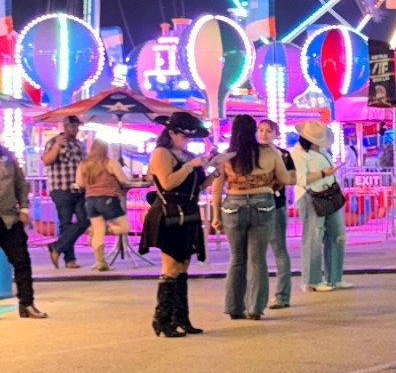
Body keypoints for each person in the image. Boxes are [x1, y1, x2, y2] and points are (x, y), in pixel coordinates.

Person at [140, 111, 210, 337]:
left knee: (182, 266)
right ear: (171, 133)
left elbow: (194, 188)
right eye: (184, 136)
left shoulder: (185, 154)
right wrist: (191, 166)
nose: (187, 141)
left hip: (187, 212)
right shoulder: (161, 153)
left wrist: (214, 173)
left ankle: (181, 317)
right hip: (169, 214)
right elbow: (168, 184)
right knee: (170, 267)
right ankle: (162, 318)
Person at [211, 113, 286, 321]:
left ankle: (234, 308)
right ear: (254, 131)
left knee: (237, 258)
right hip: (263, 204)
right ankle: (254, 309)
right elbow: (286, 178)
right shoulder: (269, 153)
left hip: (233, 206)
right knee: (257, 259)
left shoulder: (226, 156)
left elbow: (217, 190)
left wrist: (216, 216)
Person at [293, 122, 349, 292]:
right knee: (313, 238)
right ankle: (312, 281)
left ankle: (334, 277)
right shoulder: (298, 154)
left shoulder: (321, 151)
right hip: (310, 197)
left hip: (328, 195)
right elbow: (301, 179)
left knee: (337, 235)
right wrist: (325, 173)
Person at [0, 138, 45, 317]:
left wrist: (24, 208)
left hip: (9, 218)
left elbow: (21, 183)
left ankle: (27, 304)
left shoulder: (6, 155)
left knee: (22, 261)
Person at [76, 139, 132, 272]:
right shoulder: (110, 162)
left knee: (98, 230)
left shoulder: (83, 164)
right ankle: (100, 232)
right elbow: (123, 179)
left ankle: (101, 262)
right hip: (108, 199)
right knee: (124, 227)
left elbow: (80, 183)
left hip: (90, 201)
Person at [257, 118, 296, 310]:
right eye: (261, 130)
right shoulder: (252, 153)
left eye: (269, 131)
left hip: (276, 205)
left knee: (279, 249)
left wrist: (279, 180)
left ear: (276, 134)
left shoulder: (284, 155)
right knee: (255, 253)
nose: (264, 134)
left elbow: (293, 178)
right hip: (255, 206)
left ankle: (282, 295)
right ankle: (256, 296)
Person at [41, 114, 88, 269]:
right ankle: (70, 259)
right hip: (61, 188)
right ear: (64, 126)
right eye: (71, 126)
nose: (74, 129)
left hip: (79, 188)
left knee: (85, 220)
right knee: (65, 223)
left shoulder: (79, 144)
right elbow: (46, 161)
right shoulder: (54, 142)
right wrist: (56, 146)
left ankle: (57, 246)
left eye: (76, 126)